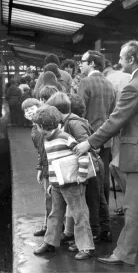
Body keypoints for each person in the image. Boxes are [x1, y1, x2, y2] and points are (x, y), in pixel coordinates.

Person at [73, 40, 138, 266]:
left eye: (122, 58)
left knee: (132, 207)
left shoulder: (135, 86)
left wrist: (90, 143)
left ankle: (124, 254)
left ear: (132, 59)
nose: (119, 62)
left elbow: (116, 120)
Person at [46, 92, 111, 246]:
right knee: (96, 199)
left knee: (92, 201)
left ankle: (95, 233)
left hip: (91, 166)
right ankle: (103, 231)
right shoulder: (71, 121)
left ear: (56, 110)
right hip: (90, 165)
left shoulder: (74, 123)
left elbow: (85, 147)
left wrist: (81, 172)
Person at [33, 105, 95, 260]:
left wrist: (81, 175)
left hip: (72, 184)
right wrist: (52, 184)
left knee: (79, 214)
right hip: (57, 185)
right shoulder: (47, 139)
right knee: (55, 214)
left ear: (42, 127)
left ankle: (86, 247)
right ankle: (50, 242)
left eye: (37, 126)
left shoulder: (65, 138)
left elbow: (83, 154)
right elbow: (53, 162)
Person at [78, 50, 116, 204]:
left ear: (92, 63)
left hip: (87, 138)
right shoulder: (109, 84)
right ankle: (104, 210)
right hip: (106, 138)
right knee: (104, 174)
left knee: (90, 175)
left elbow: (80, 111)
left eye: (83, 61)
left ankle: (92, 214)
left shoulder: (85, 82)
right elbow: (113, 113)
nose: (80, 64)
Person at [21, 98, 50, 236]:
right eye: (26, 110)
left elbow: (46, 150)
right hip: (45, 166)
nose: (29, 112)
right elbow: (40, 151)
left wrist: (44, 168)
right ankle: (48, 226)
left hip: (50, 166)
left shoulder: (43, 126)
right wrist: (39, 168)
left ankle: (49, 228)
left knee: (50, 198)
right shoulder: (35, 128)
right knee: (48, 197)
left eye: (31, 108)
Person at [103, 59, 131, 193]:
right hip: (132, 126)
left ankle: (128, 196)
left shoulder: (108, 80)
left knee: (116, 164)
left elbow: (111, 106)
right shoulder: (129, 76)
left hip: (118, 125)